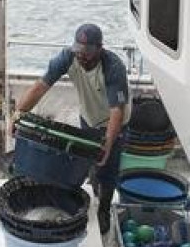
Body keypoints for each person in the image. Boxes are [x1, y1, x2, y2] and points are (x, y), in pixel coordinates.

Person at [14, 23, 130, 234]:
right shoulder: (67, 57)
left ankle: (104, 209)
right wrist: (17, 113)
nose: (82, 57)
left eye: (88, 53)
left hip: (114, 124)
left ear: (100, 49)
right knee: (89, 162)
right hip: (89, 117)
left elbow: (117, 112)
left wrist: (108, 144)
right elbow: (40, 87)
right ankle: (94, 186)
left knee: (108, 169)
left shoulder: (114, 67)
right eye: (79, 52)